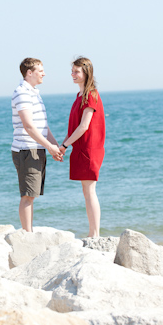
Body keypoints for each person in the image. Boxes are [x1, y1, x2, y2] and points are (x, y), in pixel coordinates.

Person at [11, 58, 62, 232]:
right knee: (27, 195)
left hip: (37, 147)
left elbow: (42, 125)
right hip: (26, 148)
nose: (44, 73)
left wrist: (55, 146)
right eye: (41, 70)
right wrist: (49, 146)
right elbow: (29, 126)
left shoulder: (34, 93)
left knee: (32, 194)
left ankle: (29, 231)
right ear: (29, 73)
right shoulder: (22, 93)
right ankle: (27, 234)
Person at [59, 57, 105, 237]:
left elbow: (84, 126)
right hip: (80, 149)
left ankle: (94, 234)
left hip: (89, 149)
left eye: (77, 71)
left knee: (90, 190)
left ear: (86, 73)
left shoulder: (90, 94)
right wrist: (63, 146)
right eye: (72, 71)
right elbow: (74, 128)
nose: (73, 74)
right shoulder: (79, 96)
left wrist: (64, 144)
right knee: (86, 191)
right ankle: (92, 232)